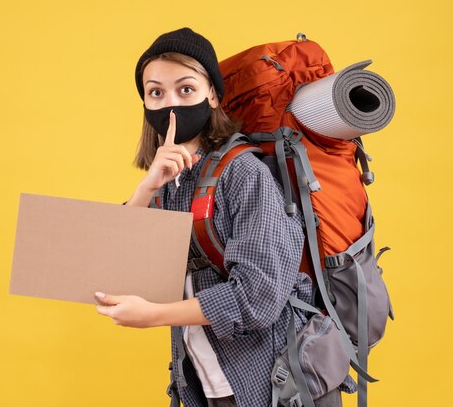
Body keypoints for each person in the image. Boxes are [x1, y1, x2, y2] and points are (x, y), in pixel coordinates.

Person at [94, 28, 338, 407]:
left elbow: (258, 297)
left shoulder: (244, 174)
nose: (170, 103)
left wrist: (155, 315)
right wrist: (147, 187)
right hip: (202, 387)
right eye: (156, 92)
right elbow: (110, 264)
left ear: (212, 94)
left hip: (271, 387)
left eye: (185, 89)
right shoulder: (169, 181)